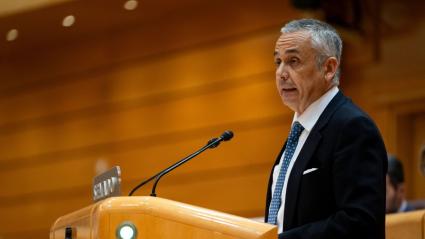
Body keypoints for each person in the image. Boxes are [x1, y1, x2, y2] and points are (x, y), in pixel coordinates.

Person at [264, 19, 387, 239]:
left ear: (329, 68)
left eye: (293, 61)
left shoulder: (352, 127)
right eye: (278, 61)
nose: (281, 73)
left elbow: (360, 223)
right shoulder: (299, 131)